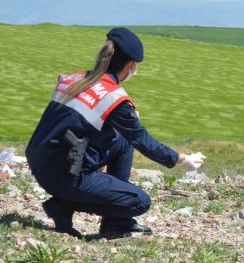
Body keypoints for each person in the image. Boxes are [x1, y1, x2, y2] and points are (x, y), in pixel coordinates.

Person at [26, 27, 205, 239]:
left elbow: (76, 123)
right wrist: (181, 160)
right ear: (130, 65)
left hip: (42, 161)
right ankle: (63, 205)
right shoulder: (114, 98)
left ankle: (116, 222)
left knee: (123, 141)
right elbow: (143, 140)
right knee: (139, 201)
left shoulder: (75, 78)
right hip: (61, 174)